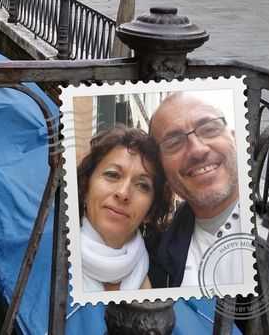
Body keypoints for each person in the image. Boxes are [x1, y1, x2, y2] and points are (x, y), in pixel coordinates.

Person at [147, 93, 244, 288]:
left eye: (209, 129)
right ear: (162, 170)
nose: (198, 150)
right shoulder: (157, 256)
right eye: (174, 143)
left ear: (234, 137)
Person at [77, 126, 172, 292]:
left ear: (150, 212)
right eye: (112, 175)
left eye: (142, 185)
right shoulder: (49, 254)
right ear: (86, 187)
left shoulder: (165, 277)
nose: (123, 193)